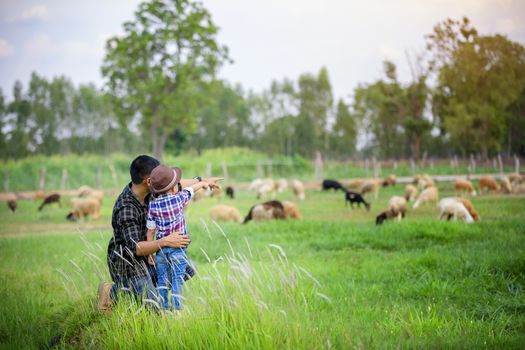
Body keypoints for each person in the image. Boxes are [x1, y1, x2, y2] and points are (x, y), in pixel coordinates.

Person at [98, 155, 221, 314]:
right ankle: (112, 292)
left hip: (150, 255)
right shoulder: (126, 208)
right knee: (155, 309)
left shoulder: (156, 191)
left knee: (187, 268)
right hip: (128, 265)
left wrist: (202, 181)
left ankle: (146, 289)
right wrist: (165, 241)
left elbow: (176, 184)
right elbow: (135, 248)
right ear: (149, 181)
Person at [146, 164, 208, 310]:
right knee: (177, 280)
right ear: (174, 188)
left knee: (162, 280)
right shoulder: (179, 199)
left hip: (161, 250)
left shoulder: (153, 206)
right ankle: (177, 310)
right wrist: (204, 183)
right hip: (178, 249)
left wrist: (150, 253)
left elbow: (150, 231)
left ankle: (162, 309)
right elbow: (191, 189)